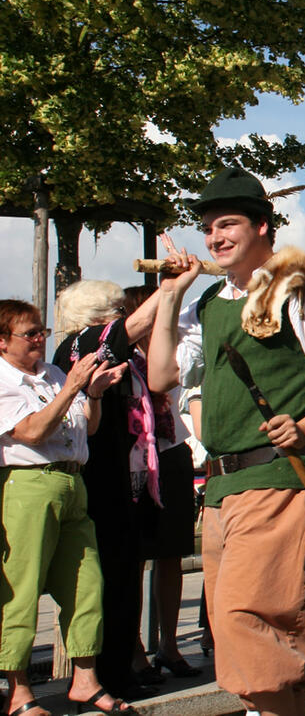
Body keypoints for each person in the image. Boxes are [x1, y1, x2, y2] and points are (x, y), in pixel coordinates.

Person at [147, 166, 305, 716]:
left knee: (248, 619)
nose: (214, 238)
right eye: (207, 228)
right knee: (255, 633)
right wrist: (172, 295)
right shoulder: (212, 304)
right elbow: (158, 377)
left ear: (262, 227)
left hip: (278, 476)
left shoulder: (298, 288)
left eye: (227, 224)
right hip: (223, 489)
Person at [0, 298, 131, 716]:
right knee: (22, 588)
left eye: (42, 331)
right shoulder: (4, 381)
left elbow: (87, 427)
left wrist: (91, 393)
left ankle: (86, 680)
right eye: (30, 333)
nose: (40, 340)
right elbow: (34, 431)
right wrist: (75, 386)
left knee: (87, 582)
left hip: (73, 480)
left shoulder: (53, 374)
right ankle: (19, 692)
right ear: (2, 342)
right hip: (28, 484)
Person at [53, 280, 166, 701]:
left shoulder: (116, 351)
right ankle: (104, 673)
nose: (123, 314)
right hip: (99, 473)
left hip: (128, 475)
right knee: (106, 579)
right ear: (99, 315)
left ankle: (121, 666)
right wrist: (173, 286)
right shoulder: (80, 345)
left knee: (124, 573)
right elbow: (129, 330)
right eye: (116, 308)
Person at [118, 285, 203, 684]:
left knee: (172, 554)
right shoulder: (121, 355)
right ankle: (134, 647)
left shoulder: (172, 347)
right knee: (135, 557)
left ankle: (169, 644)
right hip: (136, 457)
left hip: (172, 452)